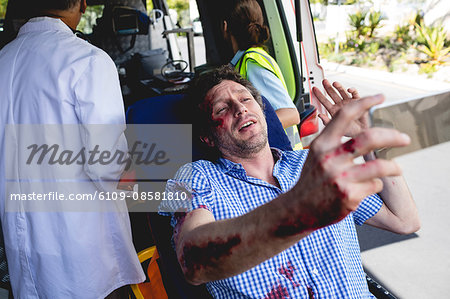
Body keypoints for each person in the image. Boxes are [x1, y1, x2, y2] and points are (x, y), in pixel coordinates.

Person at [160, 66, 420, 298]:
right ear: (206, 137)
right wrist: (298, 210)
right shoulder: (195, 177)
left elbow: (404, 220)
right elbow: (194, 263)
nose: (240, 109)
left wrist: (369, 141)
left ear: (261, 111)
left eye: (245, 99)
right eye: (222, 109)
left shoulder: (312, 163)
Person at [0, 0, 145, 298]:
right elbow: (108, 164)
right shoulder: (88, 60)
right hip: (84, 257)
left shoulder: (3, 60)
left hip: (22, 248)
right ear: (81, 4)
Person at [220, 0, 303, 150]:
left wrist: (240, 132)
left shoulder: (252, 63)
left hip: (282, 155)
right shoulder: (245, 61)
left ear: (225, 27)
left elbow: (291, 114)